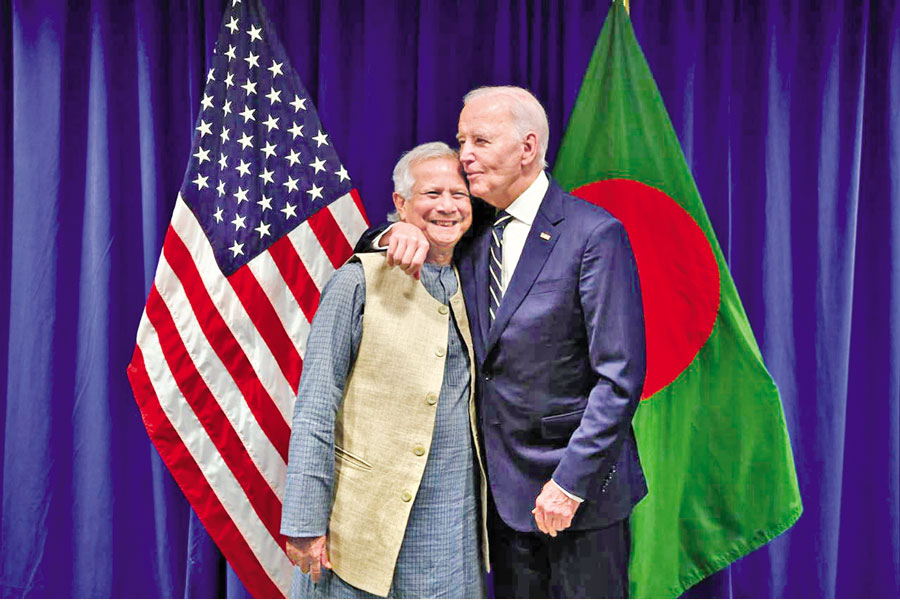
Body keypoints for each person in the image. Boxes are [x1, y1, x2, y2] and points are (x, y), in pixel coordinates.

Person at [376, 86, 647, 598]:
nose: (464, 155)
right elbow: (390, 233)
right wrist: (391, 234)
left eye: (480, 140)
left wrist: (569, 484)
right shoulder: (471, 227)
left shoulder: (593, 234)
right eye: (462, 141)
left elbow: (619, 378)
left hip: (576, 496)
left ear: (527, 148)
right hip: (499, 498)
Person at [279, 142, 488, 599]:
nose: (448, 206)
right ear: (401, 203)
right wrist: (304, 522)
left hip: (451, 530)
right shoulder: (356, 281)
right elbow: (315, 406)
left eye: (459, 193)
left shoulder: (475, 277)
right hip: (361, 529)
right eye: (432, 193)